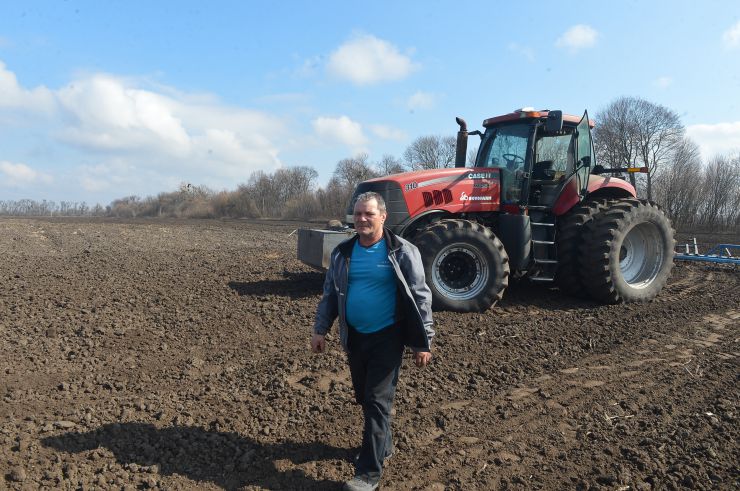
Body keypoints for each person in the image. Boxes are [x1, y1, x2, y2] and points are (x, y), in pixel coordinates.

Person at [311, 191, 434, 491]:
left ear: (383, 217)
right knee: (366, 398)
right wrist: (320, 329)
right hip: (354, 337)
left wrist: (423, 340)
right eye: (358, 214)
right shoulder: (343, 253)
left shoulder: (402, 251)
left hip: (388, 336)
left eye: (368, 214)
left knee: (378, 402)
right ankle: (384, 446)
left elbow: (420, 295)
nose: (362, 219)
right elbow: (330, 294)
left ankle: (368, 473)